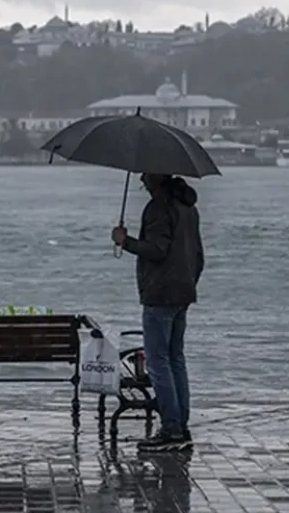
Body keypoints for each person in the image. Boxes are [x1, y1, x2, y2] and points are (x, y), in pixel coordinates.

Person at [111, 173, 204, 452]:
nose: (142, 178)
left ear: (157, 177)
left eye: (146, 174)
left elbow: (157, 250)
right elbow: (198, 255)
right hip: (183, 291)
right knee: (176, 359)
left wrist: (124, 241)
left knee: (157, 361)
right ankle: (180, 425)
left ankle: (171, 429)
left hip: (160, 293)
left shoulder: (159, 208)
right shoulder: (188, 208)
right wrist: (189, 282)